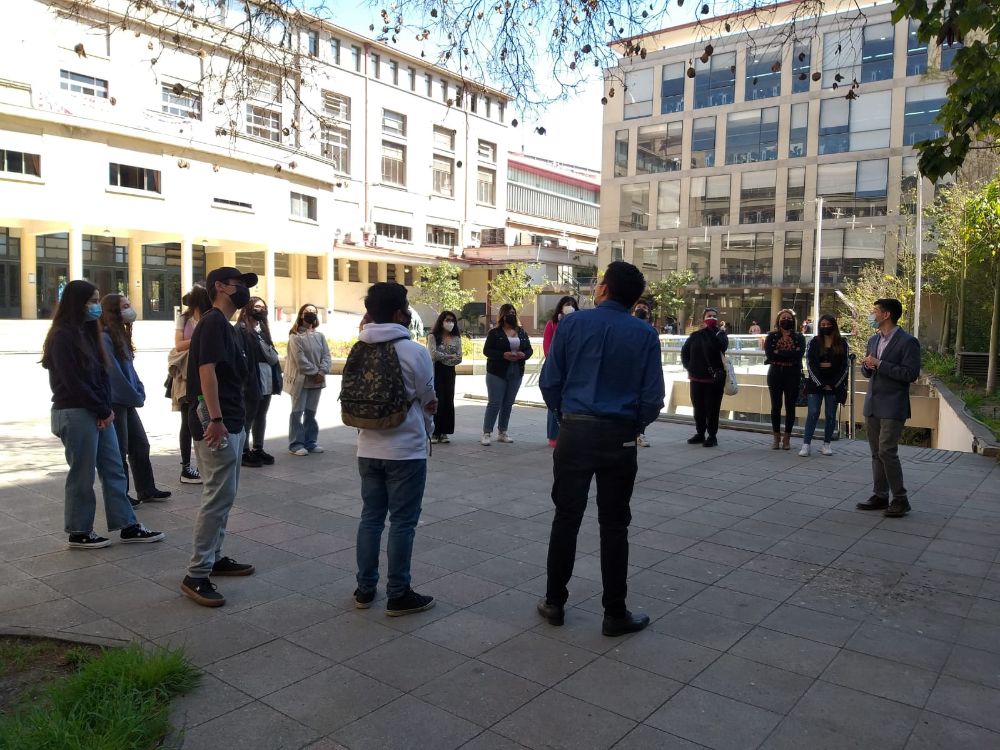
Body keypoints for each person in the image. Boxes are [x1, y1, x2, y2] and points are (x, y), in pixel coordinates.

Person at [538, 261, 665, 636]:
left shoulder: (573, 324)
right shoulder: (644, 335)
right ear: (634, 298)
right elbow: (653, 397)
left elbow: (550, 381)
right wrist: (634, 425)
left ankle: (555, 602)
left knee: (566, 518)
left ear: (604, 289)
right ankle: (614, 613)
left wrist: (565, 416)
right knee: (614, 524)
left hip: (575, 433)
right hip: (619, 437)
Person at [42, 279, 165, 550]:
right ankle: (79, 531)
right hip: (75, 412)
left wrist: (105, 408)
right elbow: (73, 381)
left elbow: (101, 376)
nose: (97, 307)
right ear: (77, 303)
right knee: (82, 474)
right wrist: (101, 409)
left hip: (98, 411)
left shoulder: (90, 332)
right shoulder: (62, 335)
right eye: (92, 301)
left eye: (98, 301)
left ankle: (127, 524)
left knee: (113, 468)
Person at [352, 282, 438, 615]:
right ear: (401, 313)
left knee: (370, 519)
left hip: (367, 445)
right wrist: (429, 422)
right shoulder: (413, 350)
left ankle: (364, 589)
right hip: (406, 449)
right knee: (402, 522)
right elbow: (428, 399)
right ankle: (398, 593)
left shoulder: (360, 346)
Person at [180, 267, 256, 607]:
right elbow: (205, 371)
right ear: (220, 287)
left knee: (225, 495)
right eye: (239, 284)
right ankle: (196, 574)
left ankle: (215, 557)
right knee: (216, 497)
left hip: (231, 422)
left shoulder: (226, 326)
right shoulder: (212, 323)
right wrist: (215, 418)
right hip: (218, 424)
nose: (244, 291)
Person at [100, 294, 171, 506]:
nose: (130, 309)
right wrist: (134, 395)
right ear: (113, 311)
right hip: (117, 401)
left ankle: (146, 489)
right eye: (125, 306)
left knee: (140, 445)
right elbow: (114, 375)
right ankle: (121, 494)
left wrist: (139, 389)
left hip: (128, 400)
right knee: (119, 449)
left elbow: (129, 369)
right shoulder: (104, 338)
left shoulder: (119, 335)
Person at [856, 298, 921, 518]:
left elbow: (910, 374)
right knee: (876, 453)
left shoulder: (908, 342)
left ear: (886, 315)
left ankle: (901, 499)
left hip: (894, 405)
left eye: (875, 311)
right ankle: (880, 495)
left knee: (886, 451)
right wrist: (867, 366)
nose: (872, 315)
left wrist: (880, 364)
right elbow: (869, 372)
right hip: (873, 403)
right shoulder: (874, 339)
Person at [169, 286, 211, 484]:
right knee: (187, 421)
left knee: (206, 417)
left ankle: (206, 462)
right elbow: (178, 345)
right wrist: (200, 338)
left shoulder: (211, 317)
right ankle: (186, 466)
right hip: (186, 376)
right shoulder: (184, 319)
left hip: (205, 371)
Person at [237, 297, 281, 467]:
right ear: (248, 308)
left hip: (267, 377)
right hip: (252, 379)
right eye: (257, 307)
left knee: (261, 415)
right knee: (248, 415)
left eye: (263, 307)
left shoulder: (262, 330)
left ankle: (258, 448)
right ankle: (243, 451)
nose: (260, 310)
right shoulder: (240, 329)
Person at [481, 303, 533, 445]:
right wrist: (503, 354)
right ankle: (487, 432)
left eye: (513, 312)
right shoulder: (495, 333)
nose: (511, 315)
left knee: (508, 403)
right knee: (495, 402)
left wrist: (524, 354)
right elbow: (487, 351)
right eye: (508, 313)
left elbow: (529, 349)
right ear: (502, 315)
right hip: (497, 372)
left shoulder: (521, 332)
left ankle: (502, 432)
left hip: (516, 370)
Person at [284, 303, 332, 456]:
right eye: (307, 311)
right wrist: (315, 372)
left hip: (317, 381)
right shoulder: (295, 336)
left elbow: (326, 356)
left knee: (311, 412)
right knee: (297, 412)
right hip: (301, 381)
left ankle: (310, 442)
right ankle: (296, 444)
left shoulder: (320, 336)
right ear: (301, 315)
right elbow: (300, 360)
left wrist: (322, 372)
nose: (311, 313)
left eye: (313, 311)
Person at [800, 314, 850, 457]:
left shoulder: (842, 343)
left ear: (833, 325)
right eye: (822, 325)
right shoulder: (814, 342)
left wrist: (833, 384)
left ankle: (826, 444)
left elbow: (844, 366)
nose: (825, 327)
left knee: (830, 414)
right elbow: (810, 363)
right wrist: (820, 383)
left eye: (828, 324)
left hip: (834, 384)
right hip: (816, 383)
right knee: (813, 413)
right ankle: (806, 444)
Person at [681, 307, 728, 448]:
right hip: (696, 378)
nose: (712, 318)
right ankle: (700, 433)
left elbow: (720, 347)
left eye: (714, 316)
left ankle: (712, 435)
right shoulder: (695, 336)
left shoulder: (720, 335)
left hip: (714, 380)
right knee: (698, 408)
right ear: (703, 318)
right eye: (709, 315)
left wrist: (712, 332)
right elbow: (685, 352)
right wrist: (690, 367)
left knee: (712, 409)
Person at [764, 309, 806, 450]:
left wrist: (779, 353)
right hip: (775, 374)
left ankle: (787, 437)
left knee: (790, 406)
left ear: (793, 321)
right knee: (776, 406)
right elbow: (770, 355)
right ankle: (776, 437)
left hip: (792, 375)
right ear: (778, 320)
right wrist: (789, 354)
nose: (786, 319)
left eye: (788, 318)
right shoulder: (771, 336)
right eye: (783, 317)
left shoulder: (799, 337)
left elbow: (798, 355)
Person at [542, 296, 578, 447]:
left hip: (573, 368)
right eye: (566, 304)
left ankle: (572, 435)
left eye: (571, 304)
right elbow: (547, 346)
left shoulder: (579, 324)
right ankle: (553, 436)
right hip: (556, 368)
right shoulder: (552, 324)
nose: (569, 307)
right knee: (555, 402)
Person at [426, 310, 463, 443]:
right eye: (447, 320)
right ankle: (435, 432)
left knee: (448, 399)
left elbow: (459, 358)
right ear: (441, 321)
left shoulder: (457, 338)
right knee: (437, 399)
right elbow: (433, 354)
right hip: (437, 370)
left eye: (452, 321)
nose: (450, 323)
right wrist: (449, 356)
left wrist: (444, 357)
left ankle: (444, 432)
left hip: (450, 372)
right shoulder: (433, 337)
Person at [631, 299, 656, 448]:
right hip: (629, 372)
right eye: (638, 306)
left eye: (644, 308)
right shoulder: (626, 327)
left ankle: (640, 433)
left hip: (643, 373)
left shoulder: (651, 331)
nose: (641, 309)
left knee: (642, 403)